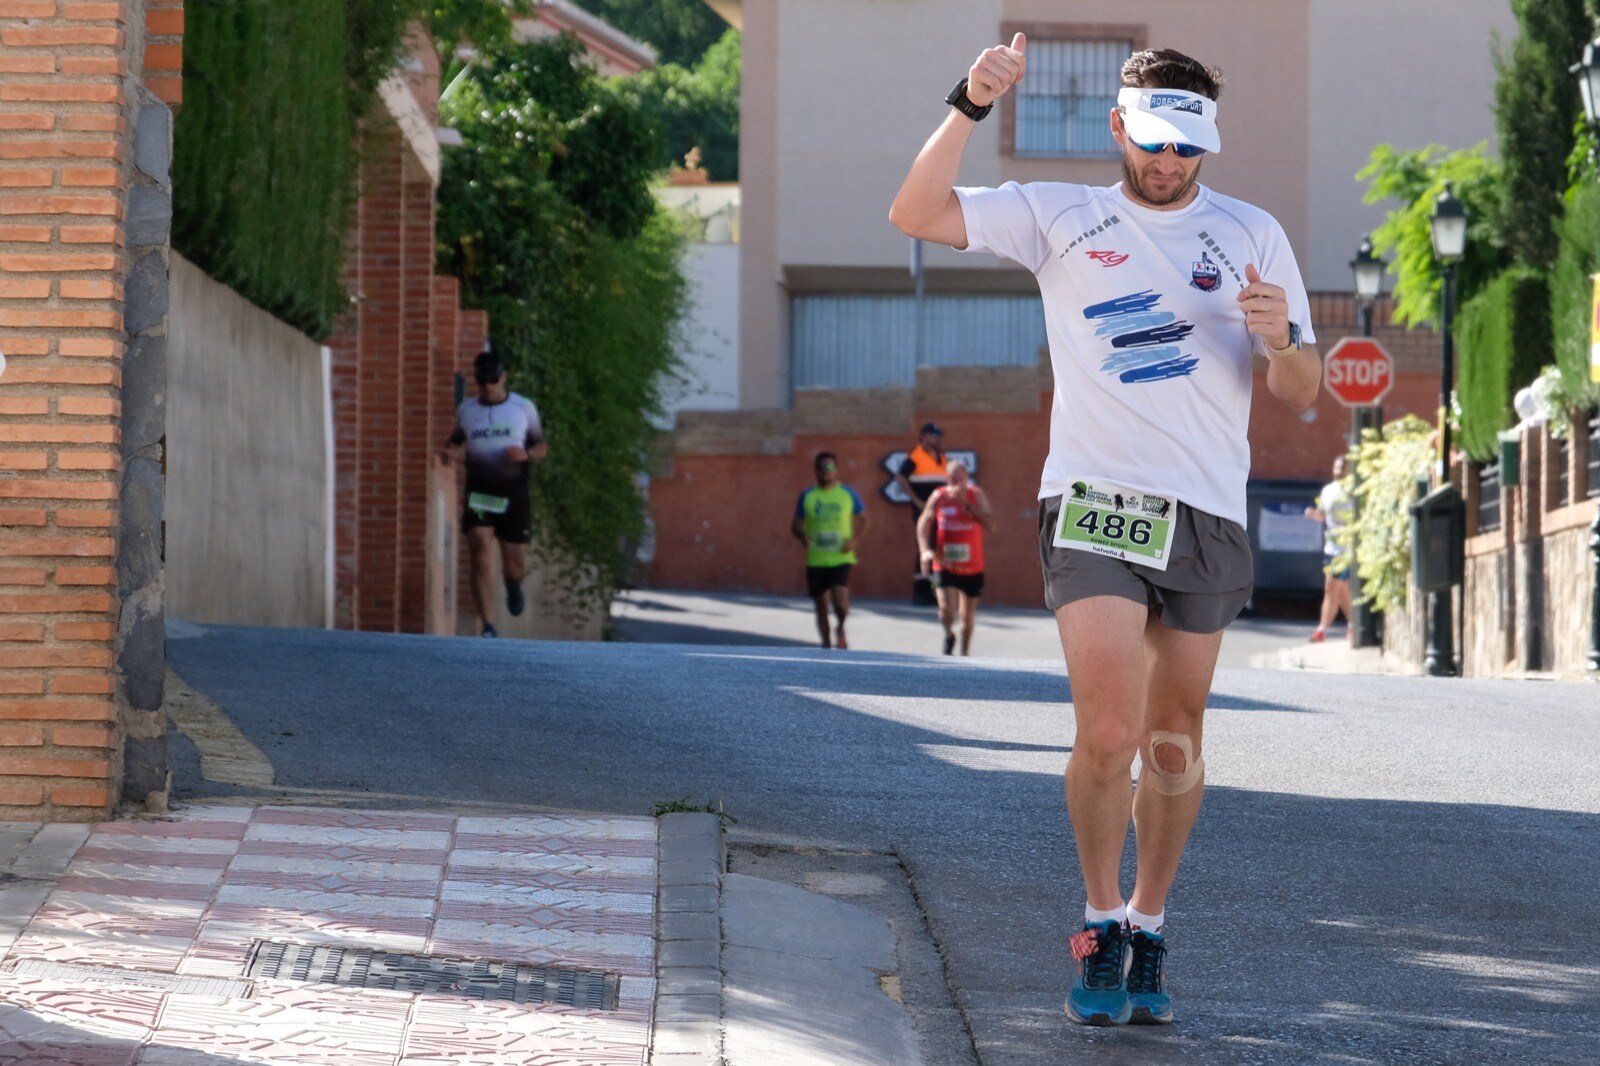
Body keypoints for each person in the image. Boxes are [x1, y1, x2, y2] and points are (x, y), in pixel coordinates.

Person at [890, 40, 1321, 1026]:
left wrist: (1280, 340)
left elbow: (1299, 392)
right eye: (1155, 144)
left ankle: (1149, 920)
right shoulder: (1059, 216)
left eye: (1188, 150)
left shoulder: (1251, 233)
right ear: (1121, 128)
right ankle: (1096, 920)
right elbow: (913, 214)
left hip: (1206, 511)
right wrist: (967, 103)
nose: (1169, 165)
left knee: (1174, 740)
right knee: (1110, 730)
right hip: (1092, 504)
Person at [436, 349, 548, 638]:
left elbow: (541, 447)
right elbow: (455, 443)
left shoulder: (523, 408)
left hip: (513, 494)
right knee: (480, 550)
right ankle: (488, 624)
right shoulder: (467, 411)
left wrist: (525, 454)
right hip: (481, 491)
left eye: (493, 380)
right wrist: (449, 452)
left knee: (514, 566)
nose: (488, 386)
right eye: (482, 381)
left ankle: (513, 585)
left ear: (504, 377)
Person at [917, 458, 994, 655]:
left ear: (967, 478)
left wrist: (965, 504)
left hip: (972, 566)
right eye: (952, 479)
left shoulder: (976, 494)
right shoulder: (939, 496)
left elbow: (991, 525)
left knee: (967, 618)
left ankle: (965, 654)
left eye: (961, 478)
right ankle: (949, 633)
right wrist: (925, 550)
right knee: (946, 609)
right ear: (946, 479)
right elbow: (923, 523)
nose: (956, 483)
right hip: (944, 563)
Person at [792, 452, 868, 649]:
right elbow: (795, 525)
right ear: (815, 471)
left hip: (841, 556)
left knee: (840, 599)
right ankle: (825, 644)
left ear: (836, 470)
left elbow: (864, 519)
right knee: (821, 605)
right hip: (816, 558)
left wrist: (854, 541)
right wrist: (802, 536)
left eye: (830, 467)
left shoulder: (847, 494)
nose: (826, 471)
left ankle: (841, 626)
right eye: (822, 468)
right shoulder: (808, 496)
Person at [894, 423, 948, 605]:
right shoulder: (915, 456)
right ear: (923, 437)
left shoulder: (942, 458)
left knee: (938, 548)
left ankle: (934, 592)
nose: (937, 439)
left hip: (942, 513)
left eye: (939, 435)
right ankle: (921, 591)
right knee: (925, 548)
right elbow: (901, 478)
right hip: (924, 512)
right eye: (934, 435)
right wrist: (916, 501)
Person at [1305, 456, 1354, 642]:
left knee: (1331, 588)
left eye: (1343, 468)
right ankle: (1352, 626)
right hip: (1331, 547)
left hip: (1347, 548)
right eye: (1336, 468)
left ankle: (1321, 629)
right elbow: (1322, 516)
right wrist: (1312, 514)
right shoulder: (1328, 491)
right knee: (1340, 591)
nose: (1339, 471)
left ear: (1349, 470)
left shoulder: (1353, 491)